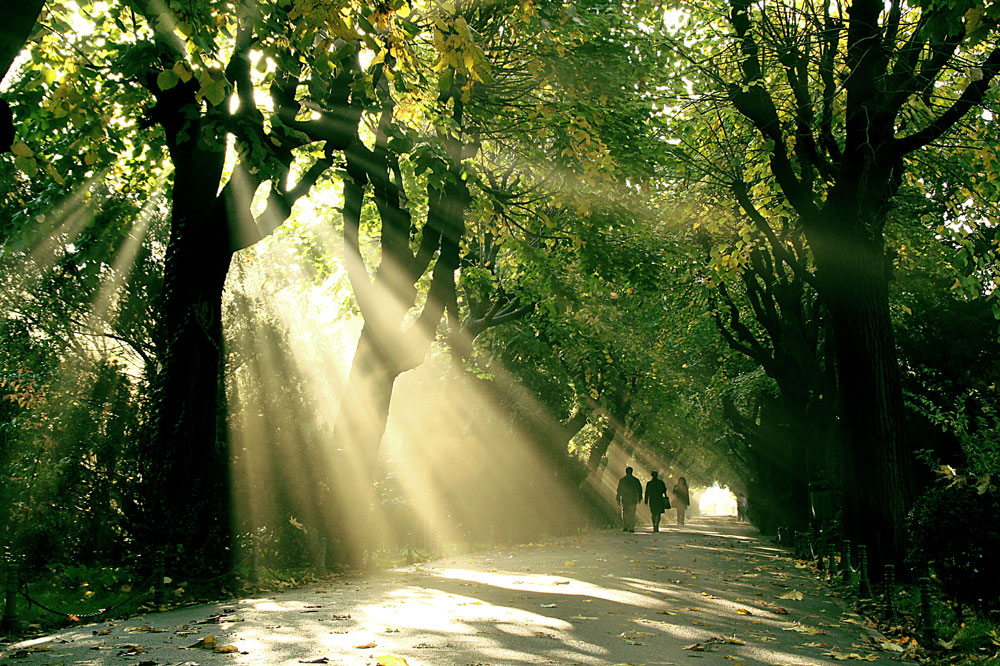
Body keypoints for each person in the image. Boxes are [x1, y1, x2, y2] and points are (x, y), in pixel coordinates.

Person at [616, 466, 643, 533]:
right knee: (632, 513)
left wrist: (618, 498)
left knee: (625, 513)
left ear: (626, 472)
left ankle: (625, 526)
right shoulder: (635, 480)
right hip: (633, 499)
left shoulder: (622, 480)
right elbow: (639, 489)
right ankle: (631, 527)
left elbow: (619, 490)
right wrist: (639, 497)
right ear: (632, 471)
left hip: (625, 499)